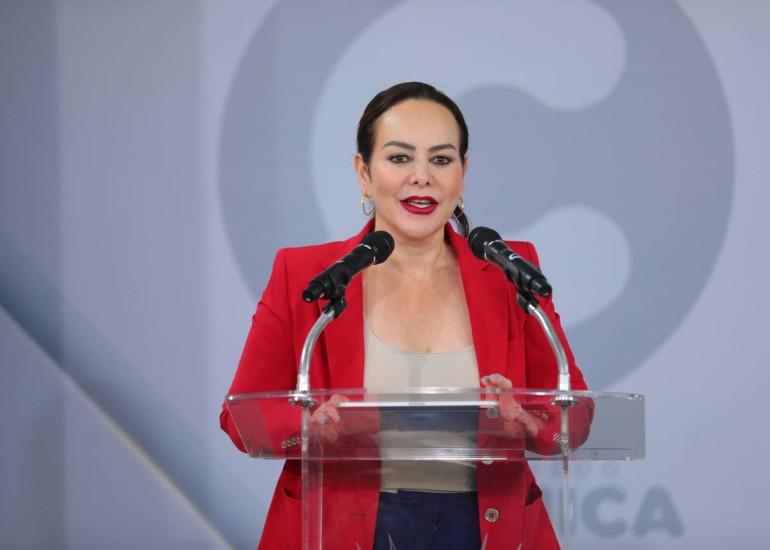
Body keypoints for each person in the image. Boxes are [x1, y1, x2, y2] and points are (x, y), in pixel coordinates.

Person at [220, 81, 591, 549]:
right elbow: (242, 418)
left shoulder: (508, 270)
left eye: (441, 159)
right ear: (364, 172)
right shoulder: (308, 275)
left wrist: (528, 422)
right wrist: (310, 427)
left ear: (463, 172)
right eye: (399, 158)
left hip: (488, 527)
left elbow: (576, 414)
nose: (421, 176)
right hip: (343, 527)